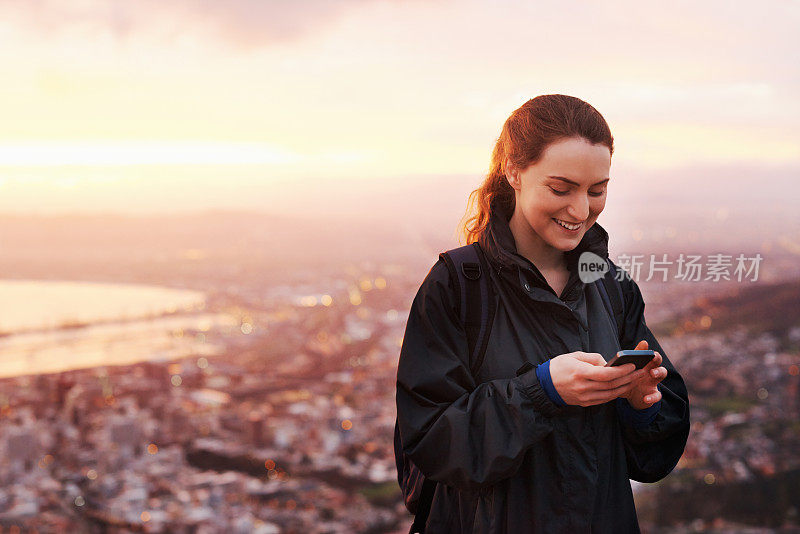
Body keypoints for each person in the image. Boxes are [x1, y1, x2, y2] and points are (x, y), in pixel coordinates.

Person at [395, 94, 690, 533]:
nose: (580, 210)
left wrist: (641, 405)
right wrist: (541, 392)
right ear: (514, 171)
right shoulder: (457, 285)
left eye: (597, 190)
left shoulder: (610, 285)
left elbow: (651, 460)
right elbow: (430, 443)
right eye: (560, 188)